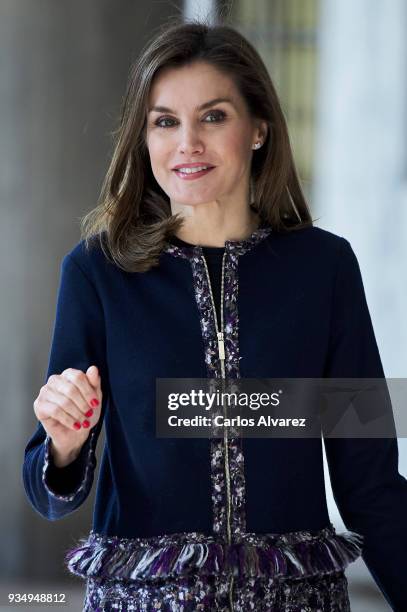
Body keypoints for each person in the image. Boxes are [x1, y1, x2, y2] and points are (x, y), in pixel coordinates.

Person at [22, 18, 407, 612]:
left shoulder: (323, 269)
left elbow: (371, 482)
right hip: (142, 601)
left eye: (214, 116)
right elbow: (48, 488)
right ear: (143, 137)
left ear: (258, 129)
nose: (187, 144)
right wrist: (65, 447)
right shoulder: (97, 272)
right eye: (165, 121)